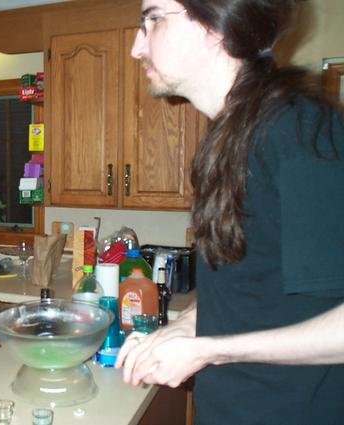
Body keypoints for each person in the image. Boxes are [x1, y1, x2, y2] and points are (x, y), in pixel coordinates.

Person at [114, 1, 344, 424]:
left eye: (154, 19)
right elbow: (252, 287)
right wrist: (187, 325)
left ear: (215, 25)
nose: (136, 47)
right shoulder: (231, 136)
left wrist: (210, 349)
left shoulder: (301, 131)